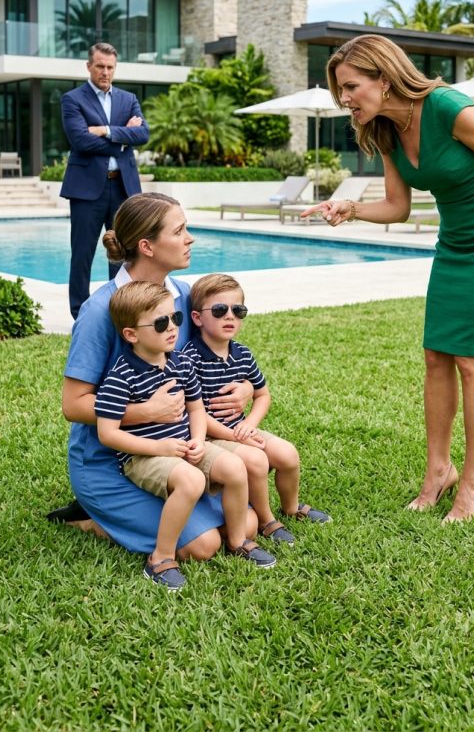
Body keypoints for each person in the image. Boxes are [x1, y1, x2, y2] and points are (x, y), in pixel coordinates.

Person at [301, 34, 474, 523]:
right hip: (454, 245)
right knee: (436, 356)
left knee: (471, 359)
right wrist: (350, 208)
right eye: (340, 91)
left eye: (350, 87)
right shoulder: (384, 129)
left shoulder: (447, 107)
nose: (344, 99)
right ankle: (439, 470)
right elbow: (398, 206)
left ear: (383, 78)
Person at [52, 192, 261, 572]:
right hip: (112, 459)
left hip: (176, 451)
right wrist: (146, 411)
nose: (189, 238)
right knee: (203, 545)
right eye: (179, 231)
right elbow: (73, 404)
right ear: (147, 246)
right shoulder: (100, 311)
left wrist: (246, 387)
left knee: (247, 523)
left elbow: (213, 355)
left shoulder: (184, 296)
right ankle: (92, 517)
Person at [96, 280, 276, 584]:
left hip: (184, 445)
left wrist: (197, 439)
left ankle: (238, 541)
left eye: (175, 318)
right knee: (191, 480)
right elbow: (108, 434)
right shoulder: (120, 375)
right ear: (131, 334)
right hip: (143, 456)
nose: (171, 327)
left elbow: (196, 410)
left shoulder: (181, 363)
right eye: (160, 322)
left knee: (235, 466)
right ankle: (160, 558)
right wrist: (160, 448)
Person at [184, 273, 331, 545]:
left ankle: (291, 507)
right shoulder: (189, 358)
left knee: (287, 454)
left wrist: (249, 424)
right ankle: (266, 520)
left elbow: (263, 395)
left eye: (238, 310)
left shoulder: (242, 354)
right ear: (197, 318)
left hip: (241, 429)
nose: (230, 316)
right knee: (256, 460)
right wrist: (235, 435)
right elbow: (194, 412)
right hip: (210, 436)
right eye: (219, 310)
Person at [60, 42, 150, 319]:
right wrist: (122, 139)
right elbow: (80, 140)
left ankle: (120, 309)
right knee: (82, 253)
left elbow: (143, 134)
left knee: (123, 251)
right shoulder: (72, 99)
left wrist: (105, 130)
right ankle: (80, 314)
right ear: (89, 66)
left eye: (110, 67)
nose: (105, 72)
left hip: (123, 187)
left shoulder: (128, 99)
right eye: (100, 66)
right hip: (86, 190)